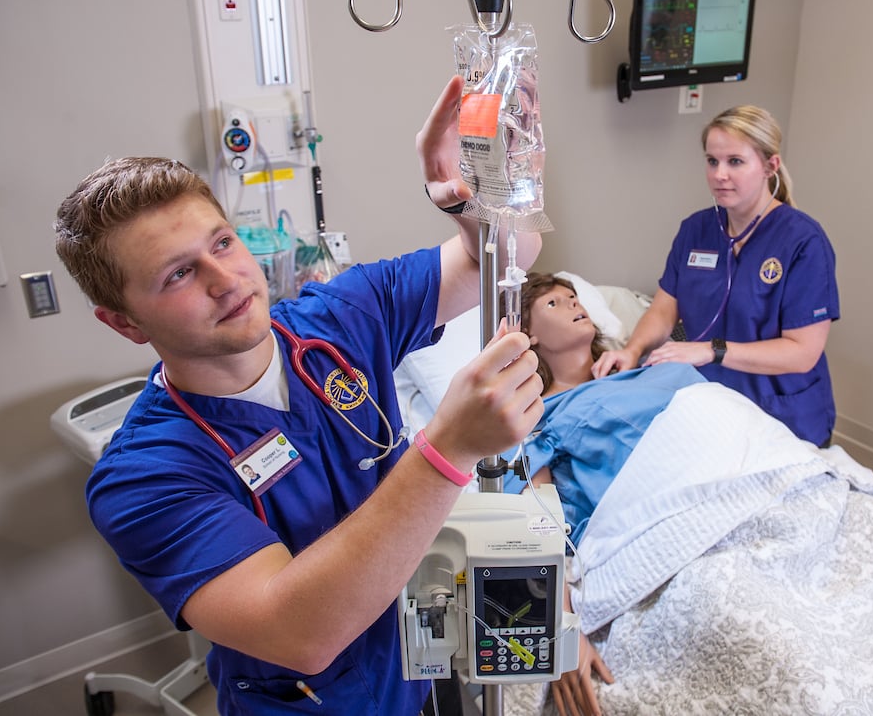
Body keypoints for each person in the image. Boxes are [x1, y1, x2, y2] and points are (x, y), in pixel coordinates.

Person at [52, 75, 544, 715]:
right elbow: (300, 633)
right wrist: (447, 448)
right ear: (123, 321)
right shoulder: (143, 478)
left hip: (410, 673)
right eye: (178, 274)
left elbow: (511, 253)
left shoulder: (338, 317)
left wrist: (459, 195)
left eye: (222, 243)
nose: (225, 279)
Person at [505, 272, 705, 716]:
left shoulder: (650, 372)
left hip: (728, 487)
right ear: (529, 335)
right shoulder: (536, 420)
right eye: (555, 303)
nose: (575, 304)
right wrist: (563, 625)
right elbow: (540, 524)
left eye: (574, 296)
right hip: (657, 536)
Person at [593, 106, 839, 447]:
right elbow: (665, 311)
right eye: (712, 161)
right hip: (709, 406)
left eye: (735, 161)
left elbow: (802, 353)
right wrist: (632, 350)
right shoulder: (696, 229)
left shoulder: (803, 241)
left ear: (771, 166)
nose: (719, 174)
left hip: (781, 415)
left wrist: (711, 351)